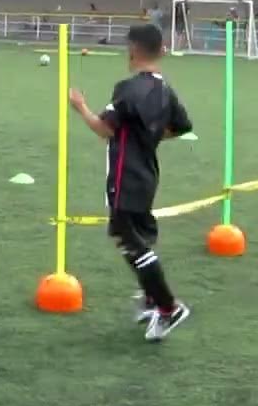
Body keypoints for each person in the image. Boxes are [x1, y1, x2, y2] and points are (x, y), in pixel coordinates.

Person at [68, 23, 193, 342]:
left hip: (126, 175)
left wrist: (79, 106)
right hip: (147, 173)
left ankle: (168, 307)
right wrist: (149, 136)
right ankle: (152, 300)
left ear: (134, 50)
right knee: (135, 238)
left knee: (129, 241)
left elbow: (104, 129)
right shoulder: (165, 90)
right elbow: (180, 126)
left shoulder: (128, 88)